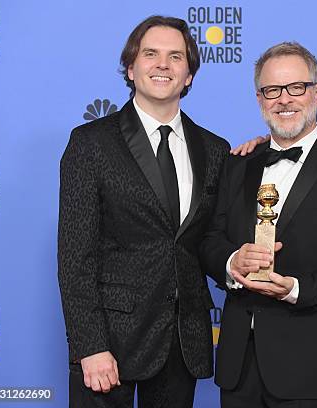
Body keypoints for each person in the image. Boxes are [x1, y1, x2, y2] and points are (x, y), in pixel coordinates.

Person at [200, 42, 317, 408]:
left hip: (310, 371)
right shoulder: (237, 163)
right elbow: (209, 239)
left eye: (295, 87)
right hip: (238, 369)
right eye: (272, 90)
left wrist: (297, 289)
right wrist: (231, 262)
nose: (284, 100)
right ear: (259, 99)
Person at [57, 15, 229, 408]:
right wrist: (90, 346)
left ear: (189, 75)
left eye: (176, 56)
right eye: (150, 54)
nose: (163, 65)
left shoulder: (216, 150)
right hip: (110, 343)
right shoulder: (91, 144)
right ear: (131, 68)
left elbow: (209, 240)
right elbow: (74, 259)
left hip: (182, 343)